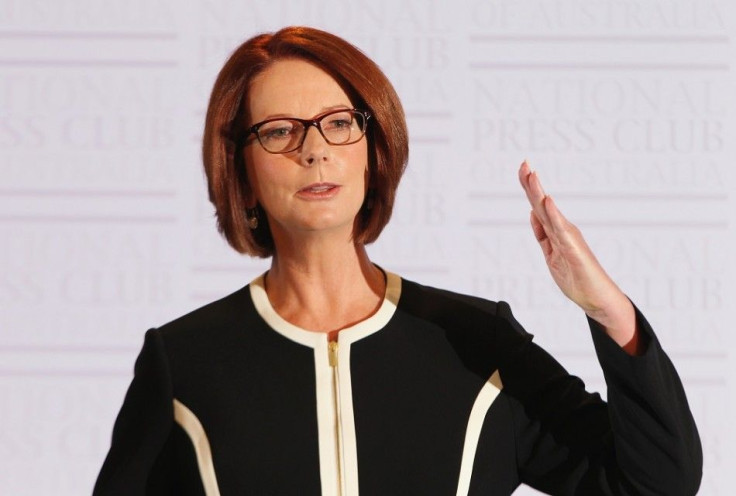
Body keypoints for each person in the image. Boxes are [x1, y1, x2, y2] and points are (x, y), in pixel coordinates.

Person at [93, 26, 702, 495]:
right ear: (242, 173)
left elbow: (656, 482)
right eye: (278, 131)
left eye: (338, 123)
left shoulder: (477, 343)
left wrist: (607, 310)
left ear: (374, 151)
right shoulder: (185, 363)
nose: (314, 151)